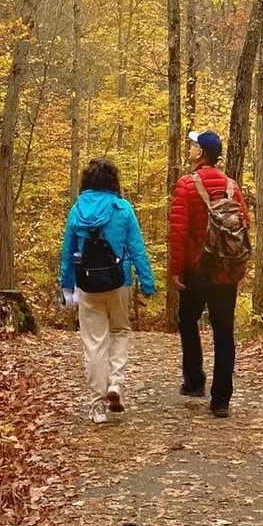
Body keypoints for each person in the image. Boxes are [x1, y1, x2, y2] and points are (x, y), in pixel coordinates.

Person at [59, 157, 155, 423]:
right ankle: (116, 382)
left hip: (87, 285)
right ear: (113, 180)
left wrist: (66, 285)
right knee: (120, 331)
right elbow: (137, 249)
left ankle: (97, 405)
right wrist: (147, 282)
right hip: (119, 282)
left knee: (94, 343)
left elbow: (67, 252)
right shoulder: (122, 209)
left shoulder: (77, 210)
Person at [168, 128, 251, 419]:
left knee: (187, 320)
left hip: (196, 269)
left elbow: (178, 232)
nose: (189, 149)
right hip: (226, 271)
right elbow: (245, 225)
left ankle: (194, 381)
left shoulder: (187, 185)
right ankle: (221, 400)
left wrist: (175, 270)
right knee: (224, 332)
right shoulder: (232, 185)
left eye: (192, 145)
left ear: (201, 153)